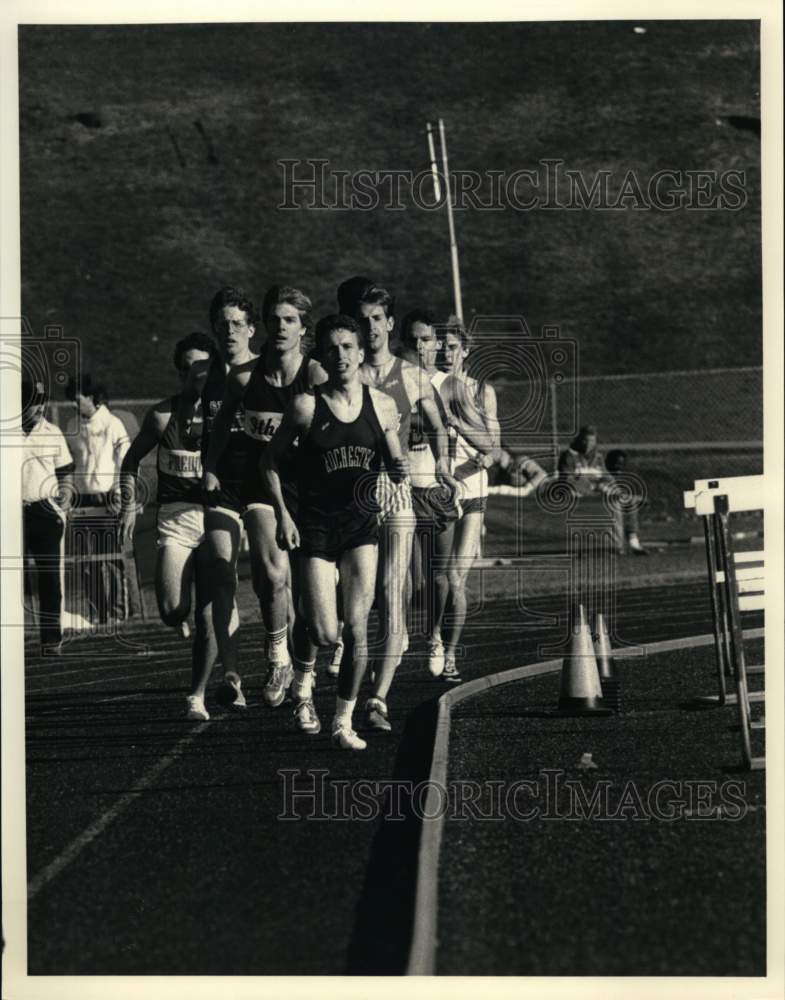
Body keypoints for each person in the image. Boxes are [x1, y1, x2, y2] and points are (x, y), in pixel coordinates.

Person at [261, 314, 407, 749]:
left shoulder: (382, 405)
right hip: (316, 526)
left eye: (348, 346)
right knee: (326, 632)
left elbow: (394, 460)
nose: (341, 355)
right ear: (321, 356)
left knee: (357, 627)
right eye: (332, 348)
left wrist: (397, 472)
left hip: (361, 524)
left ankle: (343, 722)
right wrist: (283, 515)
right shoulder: (306, 406)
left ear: (361, 353)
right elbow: (268, 462)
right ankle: (302, 683)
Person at [203, 285, 325, 712]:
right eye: (274, 319)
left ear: (302, 328)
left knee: (316, 604)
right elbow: (219, 427)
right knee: (271, 576)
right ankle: (277, 659)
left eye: (289, 320)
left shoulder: (315, 373)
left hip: (310, 488)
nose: (279, 327)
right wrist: (212, 466)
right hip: (263, 484)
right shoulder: (243, 379)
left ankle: (313, 665)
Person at [343, 281, 452, 729]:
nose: (370, 328)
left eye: (377, 320)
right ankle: (350, 658)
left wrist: (442, 461)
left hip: (394, 492)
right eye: (363, 320)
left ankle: (378, 698)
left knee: (392, 594)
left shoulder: (410, 376)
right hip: (350, 495)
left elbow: (439, 425)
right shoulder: (345, 373)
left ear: (390, 324)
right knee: (356, 600)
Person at [119, 332, 219, 719]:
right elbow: (130, 461)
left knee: (209, 613)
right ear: (180, 372)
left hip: (216, 518)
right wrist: (130, 502)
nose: (196, 374)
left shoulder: (228, 415)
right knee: (172, 610)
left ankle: (197, 695)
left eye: (203, 366)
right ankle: (179, 619)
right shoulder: (163, 416)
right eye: (188, 367)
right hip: (176, 519)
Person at [199, 287, 260, 709]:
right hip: (222, 488)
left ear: (252, 329)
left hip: (264, 486)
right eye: (223, 325)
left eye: (238, 323)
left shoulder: (266, 371)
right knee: (223, 577)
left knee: (274, 580)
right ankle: (233, 675)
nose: (230, 331)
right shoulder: (206, 379)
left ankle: (286, 662)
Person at [437, 323, 501, 683]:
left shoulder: (481, 392)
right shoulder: (426, 387)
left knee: (455, 577)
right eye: (440, 346)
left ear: (465, 350)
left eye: (452, 346)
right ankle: (432, 639)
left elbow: (493, 446)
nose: (446, 352)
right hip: (436, 490)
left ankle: (449, 653)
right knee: (432, 581)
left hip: (473, 487)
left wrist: (459, 426)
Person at [399, 309, 461, 677]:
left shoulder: (448, 385)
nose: (420, 346)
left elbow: (472, 426)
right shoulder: (398, 380)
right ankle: (402, 629)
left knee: (440, 575)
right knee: (410, 577)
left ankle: (434, 636)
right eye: (414, 340)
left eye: (426, 339)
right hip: (405, 488)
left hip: (438, 487)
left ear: (438, 343)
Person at [65, 374, 131, 624]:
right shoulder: (71, 425)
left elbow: (125, 462)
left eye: (77, 399)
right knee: (86, 562)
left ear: (92, 398)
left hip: (107, 501)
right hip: (81, 502)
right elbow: (67, 465)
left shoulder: (113, 424)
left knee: (111, 558)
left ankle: (117, 613)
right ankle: (97, 613)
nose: (73, 404)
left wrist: (118, 491)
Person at [21, 376, 75, 653]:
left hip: (45, 512)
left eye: (42, 401)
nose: (39, 407)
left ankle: (51, 639)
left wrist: (62, 504)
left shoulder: (52, 431)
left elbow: (65, 472)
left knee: (50, 579)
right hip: (12, 513)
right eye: (33, 403)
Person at [558, 427, 647, 555]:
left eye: (591, 441)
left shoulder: (597, 457)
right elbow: (569, 481)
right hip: (579, 497)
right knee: (613, 501)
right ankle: (616, 546)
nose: (588, 444)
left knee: (628, 501)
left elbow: (607, 478)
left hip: (598, 495)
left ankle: (634, 542)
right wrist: (595, 488)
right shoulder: (569, 456)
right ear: (579, 440)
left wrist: (615, 491)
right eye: (585, 441)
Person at [605, 449, 648, 555]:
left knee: (630, 503)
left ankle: (632, 540)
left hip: (606, 502)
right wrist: (636, 499)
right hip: (596, 503)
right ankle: (631, 541)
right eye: (616, 463)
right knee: (630, 503)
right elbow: (611, 493)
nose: (618, 467)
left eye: (621, 464)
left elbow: (616, 494)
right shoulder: (605, 476)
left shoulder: (613, 477)